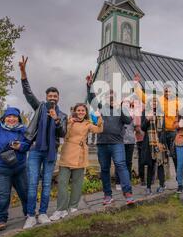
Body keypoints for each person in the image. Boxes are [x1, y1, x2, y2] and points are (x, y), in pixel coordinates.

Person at [19, 56, 68, 229]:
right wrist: (24, 74)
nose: (52, 98)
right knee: (33, 183)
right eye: (50, 95)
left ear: (58, 98)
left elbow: (63, 133)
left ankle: (43, 213)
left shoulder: (62, 116)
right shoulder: (39, 107)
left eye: (55, 96)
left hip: (50, 152)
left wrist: (55, 120)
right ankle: (31, 215)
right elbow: (28, 94)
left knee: (46, 184)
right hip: (35, 150)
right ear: (46, 97)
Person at [86, 72, 135, 205]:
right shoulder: (101, 107)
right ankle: (108, 195)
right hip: (102, 143)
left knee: (121, 165)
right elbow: (92, 99)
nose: (111, 98)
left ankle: (128, 193)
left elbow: (128, 121)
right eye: (109, 96)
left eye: (113, 96)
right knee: (105, 169)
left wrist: (120, 107)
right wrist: (89, 86)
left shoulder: (121, 109)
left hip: (117, 143)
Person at [50, 103, 103, 221]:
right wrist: (69, 122)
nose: (80, 112)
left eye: (83, 110)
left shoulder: (87, 124)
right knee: (62, 182)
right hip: (66, 152)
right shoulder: (68, 121)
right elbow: (61, 132)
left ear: (85, 112)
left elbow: (99, 129)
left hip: (80, 154)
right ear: (74, 111)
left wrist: (99, 117)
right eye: (78, 110)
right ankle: (61, 209)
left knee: (77, 183)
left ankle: (73, 206)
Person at [133, 73, 178, 175]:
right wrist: (136, 84)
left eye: (169, 91)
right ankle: (160, 181)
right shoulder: (159, 100)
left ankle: (178, 179)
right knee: (160, 156)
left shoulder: (176, 101)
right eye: (166, 90)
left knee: (175, 156)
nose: (167, 92)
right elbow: (143, 97)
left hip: (172, 133)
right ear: (163, 91)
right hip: (161, 133)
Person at [140, 97, 169, 195]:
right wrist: (147, 119)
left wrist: (161, 143)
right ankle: (148, 187)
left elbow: (163, 129)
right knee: (150, 165)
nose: (154, 103)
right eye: (152, 102)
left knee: (160, 164)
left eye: (155, 102)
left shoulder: (161, 114)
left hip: (159, 142)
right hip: (149, 143)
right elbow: (142, 128)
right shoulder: (145, 113)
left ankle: (161, 185)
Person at [115, 99, 136, 191]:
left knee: (128, 162)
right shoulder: (118, 114)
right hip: (120, 140)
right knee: (119, 162)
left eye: (128, 104)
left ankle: (128, 180)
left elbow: (137, 125)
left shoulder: (133, 114)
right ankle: (118, 181)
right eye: (124, 104)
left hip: (130, 140)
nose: (126, 105)